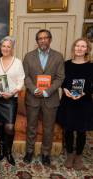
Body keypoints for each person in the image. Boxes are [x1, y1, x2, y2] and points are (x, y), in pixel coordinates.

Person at [23, 29, 65, 166]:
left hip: (50, 98)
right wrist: (34, 89)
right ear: (37, 41)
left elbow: (60, 78)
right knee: (31, 127)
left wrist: (47, 91)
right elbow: (26, 76)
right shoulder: (28, 56)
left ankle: (46, 153)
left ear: (50, 40)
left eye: (46, 38)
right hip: (32, 98)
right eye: (40, 38)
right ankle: (29, 151)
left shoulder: (58, 57)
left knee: (48, 128)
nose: (43, 40)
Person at [0, 36, 25, 166]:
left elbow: (21, 82)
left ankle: (9, 152)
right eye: (4, 46)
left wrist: (12, 92)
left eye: (9, 46)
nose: (6, 48)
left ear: (12, 48)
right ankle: (2, 148)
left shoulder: (18, 62)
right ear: (0, 47)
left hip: (10, 99)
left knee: (9, 127)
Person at [57, 38, 93, 170]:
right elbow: (61, 81)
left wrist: (84, 92)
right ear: (74, 48)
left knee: (81, 131)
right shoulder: (66, 64)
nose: (79, 48)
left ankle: (78, 156)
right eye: (77, 46)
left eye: (83, 46)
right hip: (68, 101)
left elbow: (92, 86)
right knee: (69, 130)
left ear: (87, 49)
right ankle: (70, 155)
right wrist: (65, 89)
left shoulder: (91, 66)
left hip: (84, 103)